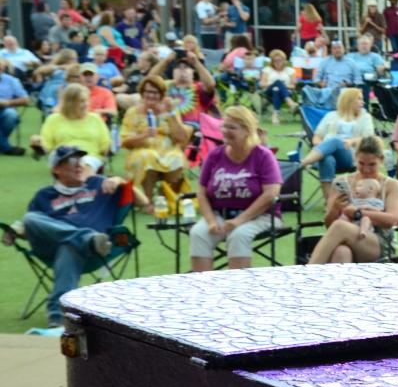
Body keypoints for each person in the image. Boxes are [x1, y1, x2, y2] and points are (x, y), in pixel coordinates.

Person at [4, 146, 146, 328]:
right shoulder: (44, 195)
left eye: (81, 161)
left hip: (90, 250)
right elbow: (32, 227)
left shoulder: (100, 184)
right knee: (31, 218)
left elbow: (144, 202)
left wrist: (119, 180)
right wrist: (16, 231)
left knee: (69, 245)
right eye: (72, 162)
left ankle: (58, 316)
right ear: (56, 169)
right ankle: (87, 238)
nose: (79, 166)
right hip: (55, 247)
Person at [189, 107, 282, 272]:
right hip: (220, 215)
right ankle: (202, 288)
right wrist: (210, 221)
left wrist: (240, 220)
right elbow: (202, 193)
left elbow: (271, 193)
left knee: (239, 235)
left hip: (261, 216)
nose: (225, 131)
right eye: (224, 126)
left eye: (232, 127)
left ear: (247, 130)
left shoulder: (263, 156)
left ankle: (238, 290)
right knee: (198, 233)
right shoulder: (215, 155)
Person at [305, 135, 398, 265]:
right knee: (341, 252)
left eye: (372, 164)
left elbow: (392, 220)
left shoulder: (391, 185)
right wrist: (335, 208)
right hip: (346, 239)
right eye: (361, 163)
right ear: (355, 158)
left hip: (378, 241)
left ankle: (308, 274)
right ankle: (341, 285)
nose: (366, 170)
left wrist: (358, 213)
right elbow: (329, 224)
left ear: (381, 160)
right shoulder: (341, 183)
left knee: (340, 227)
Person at [119, 75, 191, 211]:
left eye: (155, 92)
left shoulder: (169, 112)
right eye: (147, 91)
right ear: (142, 93)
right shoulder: (133, 112)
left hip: (168, 150)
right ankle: (147, 200)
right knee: (148, 156)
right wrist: (142, 136)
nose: (151, 95)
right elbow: (124, 142)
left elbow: (181, 138)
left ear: (162, 95)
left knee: (178, 158)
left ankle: (164, 194)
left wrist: (172, 115)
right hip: (142, 150)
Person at [299, 87, 374, 200]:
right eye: (359, 99)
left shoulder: (365, 117)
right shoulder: (331, 115)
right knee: (327, 159)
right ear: (349, 100)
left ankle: (301, 164)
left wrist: (352, 141)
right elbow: (317, 136)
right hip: (325, 154)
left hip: (350, 155)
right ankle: (329, 201)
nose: (363, 102)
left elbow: (368, 138)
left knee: (335, 141)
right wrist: (320, 146)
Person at [32, 84, 109, 159]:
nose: (86, 104)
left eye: (87, 101)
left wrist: (110, 148)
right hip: (62, 158)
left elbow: (105, 146)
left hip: (90, 158)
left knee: (85, 162)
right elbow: (46, 147)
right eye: (82, 101)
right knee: (70, 162)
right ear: (70, 103)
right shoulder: (53, 119)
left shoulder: (95, 119)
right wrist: (38, 144)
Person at [302, 40, 358, 109]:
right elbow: (316, 79)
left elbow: (358, 81)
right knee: (307, 90)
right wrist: (322, 84)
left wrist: (348, 84)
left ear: (344, 49)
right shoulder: (325, 62)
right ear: (331, 50)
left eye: (339, 48)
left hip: (345, 91)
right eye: (335, 48)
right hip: (328, 90)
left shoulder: (352, 63)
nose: (337, 50)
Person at [259, 49, 297, 124]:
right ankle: (289, 101)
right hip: (268, 91)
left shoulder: (290, 70)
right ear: (272, 62)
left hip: (286, 91)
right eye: (275, 60)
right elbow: (262, 84)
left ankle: (275, 114)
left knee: (276, 90)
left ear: (284, 60)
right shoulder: (267, 70)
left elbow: (293, 86)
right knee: (277, 82)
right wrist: (276, 83)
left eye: (280, 60)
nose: (278, 62)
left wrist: (282, 86)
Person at [0, 59, 29, 155]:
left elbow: (25, 99)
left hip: (5, 110)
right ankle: (7, 148)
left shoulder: (12, 80)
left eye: (1, 68)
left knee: (11, 114)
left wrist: (8, 103)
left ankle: (3, 144)